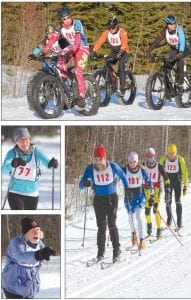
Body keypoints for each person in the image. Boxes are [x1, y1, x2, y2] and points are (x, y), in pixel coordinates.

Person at [79, 145, 129, 263]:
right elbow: (80, 185)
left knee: (111, 224)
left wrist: (128, 190)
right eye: (95, 159)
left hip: (111, 198)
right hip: (98, 200)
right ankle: (100, 252)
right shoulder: (90, 168)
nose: (98, 162)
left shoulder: (112, 166)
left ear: (105, 158)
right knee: (101, 226)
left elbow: (123, 176)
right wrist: (84, 183)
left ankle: (116, 250)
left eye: (100, 159)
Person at [42, 6, 90, 109]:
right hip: (69, 49)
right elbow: (52, 39)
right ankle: (66, 90)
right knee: (60, 65)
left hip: (82, 48)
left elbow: (77, 41)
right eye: (64, 19)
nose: (67, 20)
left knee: (78, 71)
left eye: (68, 17)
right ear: (61, 20)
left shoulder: (77, 23)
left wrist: (67, 49)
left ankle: (82, 97)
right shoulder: (60, 28)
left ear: (71, 16)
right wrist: (44, 50)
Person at [2, 127, 58, 210]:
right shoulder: (12, 153)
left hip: (32, 193)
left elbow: (47, 163)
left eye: (26, 139)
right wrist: (12, 165)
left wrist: (52, 163)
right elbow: (3, 170)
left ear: (30, 139)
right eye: (20, 140)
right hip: (15, 192)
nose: (24, 143)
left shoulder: (36, 151)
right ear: (16, 142)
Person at [2, 217, 56, 299]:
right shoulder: (16, 242)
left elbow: (40, 260)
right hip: (13, 288)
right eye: (33, 231)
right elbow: (21, 257)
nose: (36, 233)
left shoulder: (39, 243)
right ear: (26, 233)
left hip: (30, 288)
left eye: (38, 230)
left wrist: (47, 253)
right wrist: (38, 254)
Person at [145, 15, 190, 90]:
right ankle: (169, 90)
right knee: (167, 66)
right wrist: (149, 50)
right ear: (167, 24)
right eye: (170, 24)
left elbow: (182, 41)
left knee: (180, 60)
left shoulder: (179, 29)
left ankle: (180, 83)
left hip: (185, 48)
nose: (173, 25)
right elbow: (157, 42)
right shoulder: (164, 32)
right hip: (174, 49)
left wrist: (181, 51)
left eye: (174, 23)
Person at [90, 16, 131, 95]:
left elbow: (124, 42)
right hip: (115, 52)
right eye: (109, 27)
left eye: (112, 27)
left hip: (124, 52)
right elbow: (100, 41)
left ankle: (122, 87)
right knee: (107, 62)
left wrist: (121, 51)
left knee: (121, 64)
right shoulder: (106, 32)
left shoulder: (122, 32)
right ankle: (112, 83)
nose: (111, 29)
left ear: (116, 26)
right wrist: (94, 51)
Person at [123, 152, 154, 249]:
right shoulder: (124, 170)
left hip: (140, 196)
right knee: (130, 217)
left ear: (137, 161)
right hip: (129, 197)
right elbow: (116, 178)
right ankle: (133, 233)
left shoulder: (142, 170)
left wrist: (152, 195)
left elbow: (149, 182)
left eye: (134, 161)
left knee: (138, 216)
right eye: (130, 161)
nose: (132, 163)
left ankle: (141, 239)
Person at [159, 143, 188, 230]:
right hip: (167, 182)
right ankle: (169, 220)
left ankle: (179, 223)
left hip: (177, 182)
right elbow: (159, 166)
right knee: (167, 201)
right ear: (167, 152)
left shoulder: (180, 159)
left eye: (173, 153)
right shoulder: (164, 158)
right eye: (170, 153)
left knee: (177, 201)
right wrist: (164, 176)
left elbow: (185, 172)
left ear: (176, 153)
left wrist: (185, 186)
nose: (171, 155)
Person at [143, 147, 171, 238]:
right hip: (147, 191)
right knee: (147, 211)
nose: (150, 159)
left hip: (156, 191)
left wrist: (167, 191)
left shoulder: (159, 166)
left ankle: (159, 229)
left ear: (154, 156)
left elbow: (166, 178)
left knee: (155, 210)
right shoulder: (143, 166)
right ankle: (149, 225)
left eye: (151, 156)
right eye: (148, 157)